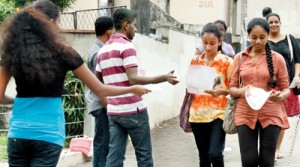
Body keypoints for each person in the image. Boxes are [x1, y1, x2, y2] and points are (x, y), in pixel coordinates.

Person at [0, 0, 150, 166]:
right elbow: (100, 89)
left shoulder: (12, 52)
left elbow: (0, 96)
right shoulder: (63, 51)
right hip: (48, 134)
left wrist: (19, 101)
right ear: (50, 23)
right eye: (59, 21)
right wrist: (131, 89)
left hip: (18, 134)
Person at [96, 8, 179, 167]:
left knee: (114, 158)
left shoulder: (103, 50)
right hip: (134, 110)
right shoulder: (127, 47)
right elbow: (133, 79)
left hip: (114, 112)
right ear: (126, 25)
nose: (136, 29)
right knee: (144, 157)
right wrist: (164, 78)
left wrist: (110, 105)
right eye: (134, 25)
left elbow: (98, 83)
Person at [229, 18, 290, 167]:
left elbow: (286, 88)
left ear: (268, 36)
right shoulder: (239, 58)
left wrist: (281, 95)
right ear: (248, 36)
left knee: (267, 161)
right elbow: (231, 89)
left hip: (271, 112)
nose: (257, 41)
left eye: (262, 37)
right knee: (248, 161)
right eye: (254, 37)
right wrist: (243, 91)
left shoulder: (278, 59)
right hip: (245, 113)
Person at [189, 23, 233, 167]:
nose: (208, 47)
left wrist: (222, 91)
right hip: (197, 114)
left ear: (220, 42)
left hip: (218, 114)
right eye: (205, 43)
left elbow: (234, 89)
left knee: (215, 153)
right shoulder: (195, 61)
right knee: (204, 156)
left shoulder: (227, 62)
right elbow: (190, 86)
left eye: (212, 43)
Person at [266, 13, 300, 160]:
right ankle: (268, 147)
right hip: (268, 85)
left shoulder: (290, 40)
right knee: (269, 117)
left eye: (276, 22)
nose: (274, 24)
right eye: (271, 22)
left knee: (281, 117)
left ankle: (276, 149)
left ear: (280, 23)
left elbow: (297, 61)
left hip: (286, 85)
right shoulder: (264, 40)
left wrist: (297, 77)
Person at [85, 16, 114, 167]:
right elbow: (99, 84)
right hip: (101, 104)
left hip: (100, 103)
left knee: (104, 141)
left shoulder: (96, 50)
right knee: (103, 142)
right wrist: (108, 107)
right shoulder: (99, 53)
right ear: (109, 32)